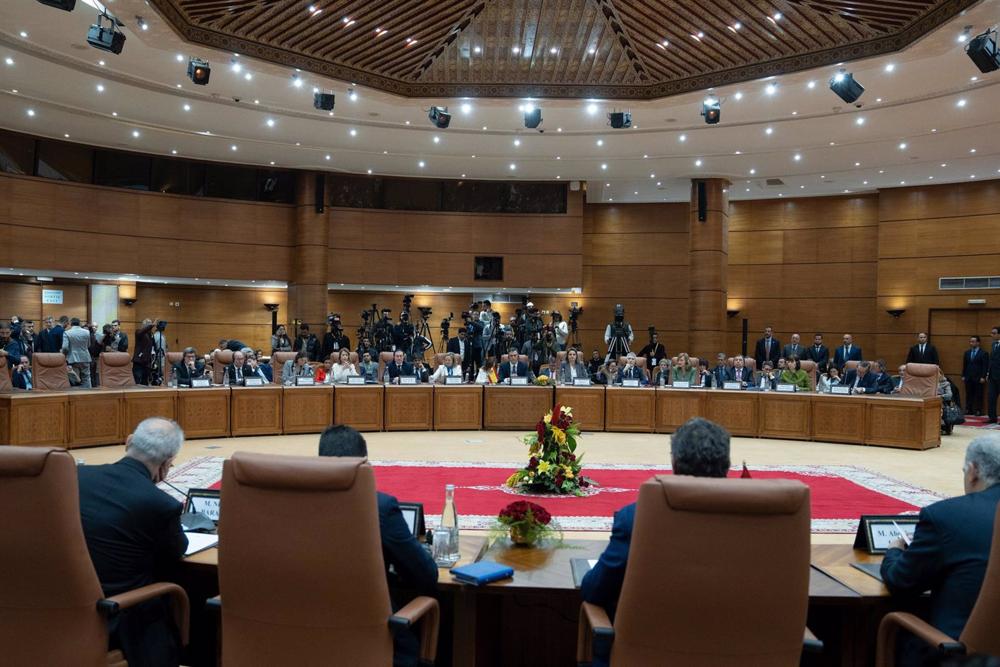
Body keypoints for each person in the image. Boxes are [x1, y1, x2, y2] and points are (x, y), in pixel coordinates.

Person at [582, 418, 731, 622]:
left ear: (674, 462)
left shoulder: (637, 518)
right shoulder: (760, 524)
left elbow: (593, 590)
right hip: (739, 648)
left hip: (644, 651)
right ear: (727, 465)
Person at [317, 425, 438, 666]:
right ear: (365, 466)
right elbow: (425, 575)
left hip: (300, 638)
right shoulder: (380, 508)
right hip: (373, 645)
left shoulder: (291, 506)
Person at [77, 418, 188, 667]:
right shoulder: (160, 504)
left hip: (59, 610)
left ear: (128, 442)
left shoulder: (74, 477)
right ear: (167, 463)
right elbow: (176, 553)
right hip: (117, 618)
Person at [881, 435, 1000, 662]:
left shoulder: (946, 516)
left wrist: (895, 550)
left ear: (973, 471)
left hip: (959, 655)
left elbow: (900, 581)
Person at [61, 317, 93, 388]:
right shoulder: (87, 332)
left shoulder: (67, 333)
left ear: (71, 324)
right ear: (79, 323)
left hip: (72, 359)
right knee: (86, 378)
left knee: (74, 379)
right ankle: (88, 395)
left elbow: (65, 347)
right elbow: (88, 345)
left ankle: (76, 396)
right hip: (85, 358)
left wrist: (65, 354)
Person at [962, 336, 989, 416]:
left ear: (978, 343)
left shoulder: (984, 353)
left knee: (979, 394)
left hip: (978, 377)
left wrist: (983, 377)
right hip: (968, 377)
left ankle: (978, 410)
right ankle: (968, 409)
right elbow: (965, 365)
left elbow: (985, 366)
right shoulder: (967, 353)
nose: (971, 343)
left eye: (973, 341)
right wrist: (963, 375)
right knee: (969, 394)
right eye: (970, 341)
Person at [132, 319, 155, 386]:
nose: (149, 325)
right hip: (139, 362)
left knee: (145, 382)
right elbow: (142, 331)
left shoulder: (151, 334)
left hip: (147, 363)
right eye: (148, 324)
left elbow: (152, 347)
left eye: (150, 324)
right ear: (143, 325)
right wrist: (151, 325)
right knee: (137, 382)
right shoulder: (138, 332)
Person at [990, 326, 1000, 424]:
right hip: (992, 376)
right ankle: (992, 417)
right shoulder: (993, 344)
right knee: (992, 397)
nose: (991, 335)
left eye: (994, 333)